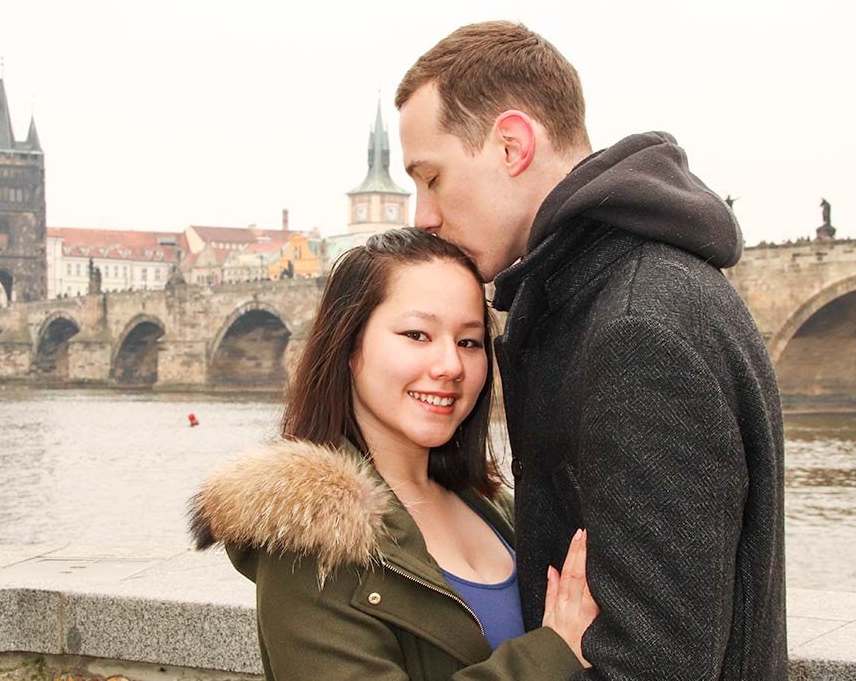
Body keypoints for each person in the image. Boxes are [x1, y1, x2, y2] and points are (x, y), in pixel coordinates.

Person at [395, 21, 787, 680]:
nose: (421, 214)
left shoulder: (635, 328)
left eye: (431, 178)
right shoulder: (608, 295)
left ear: (512, 144)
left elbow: (651, 664)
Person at [190, 228, 598, 680]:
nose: (450, 366)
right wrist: (552, 653)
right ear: (348, 346)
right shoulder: (311, 540)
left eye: (469, 341)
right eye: (417, 334)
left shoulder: (492, 504)